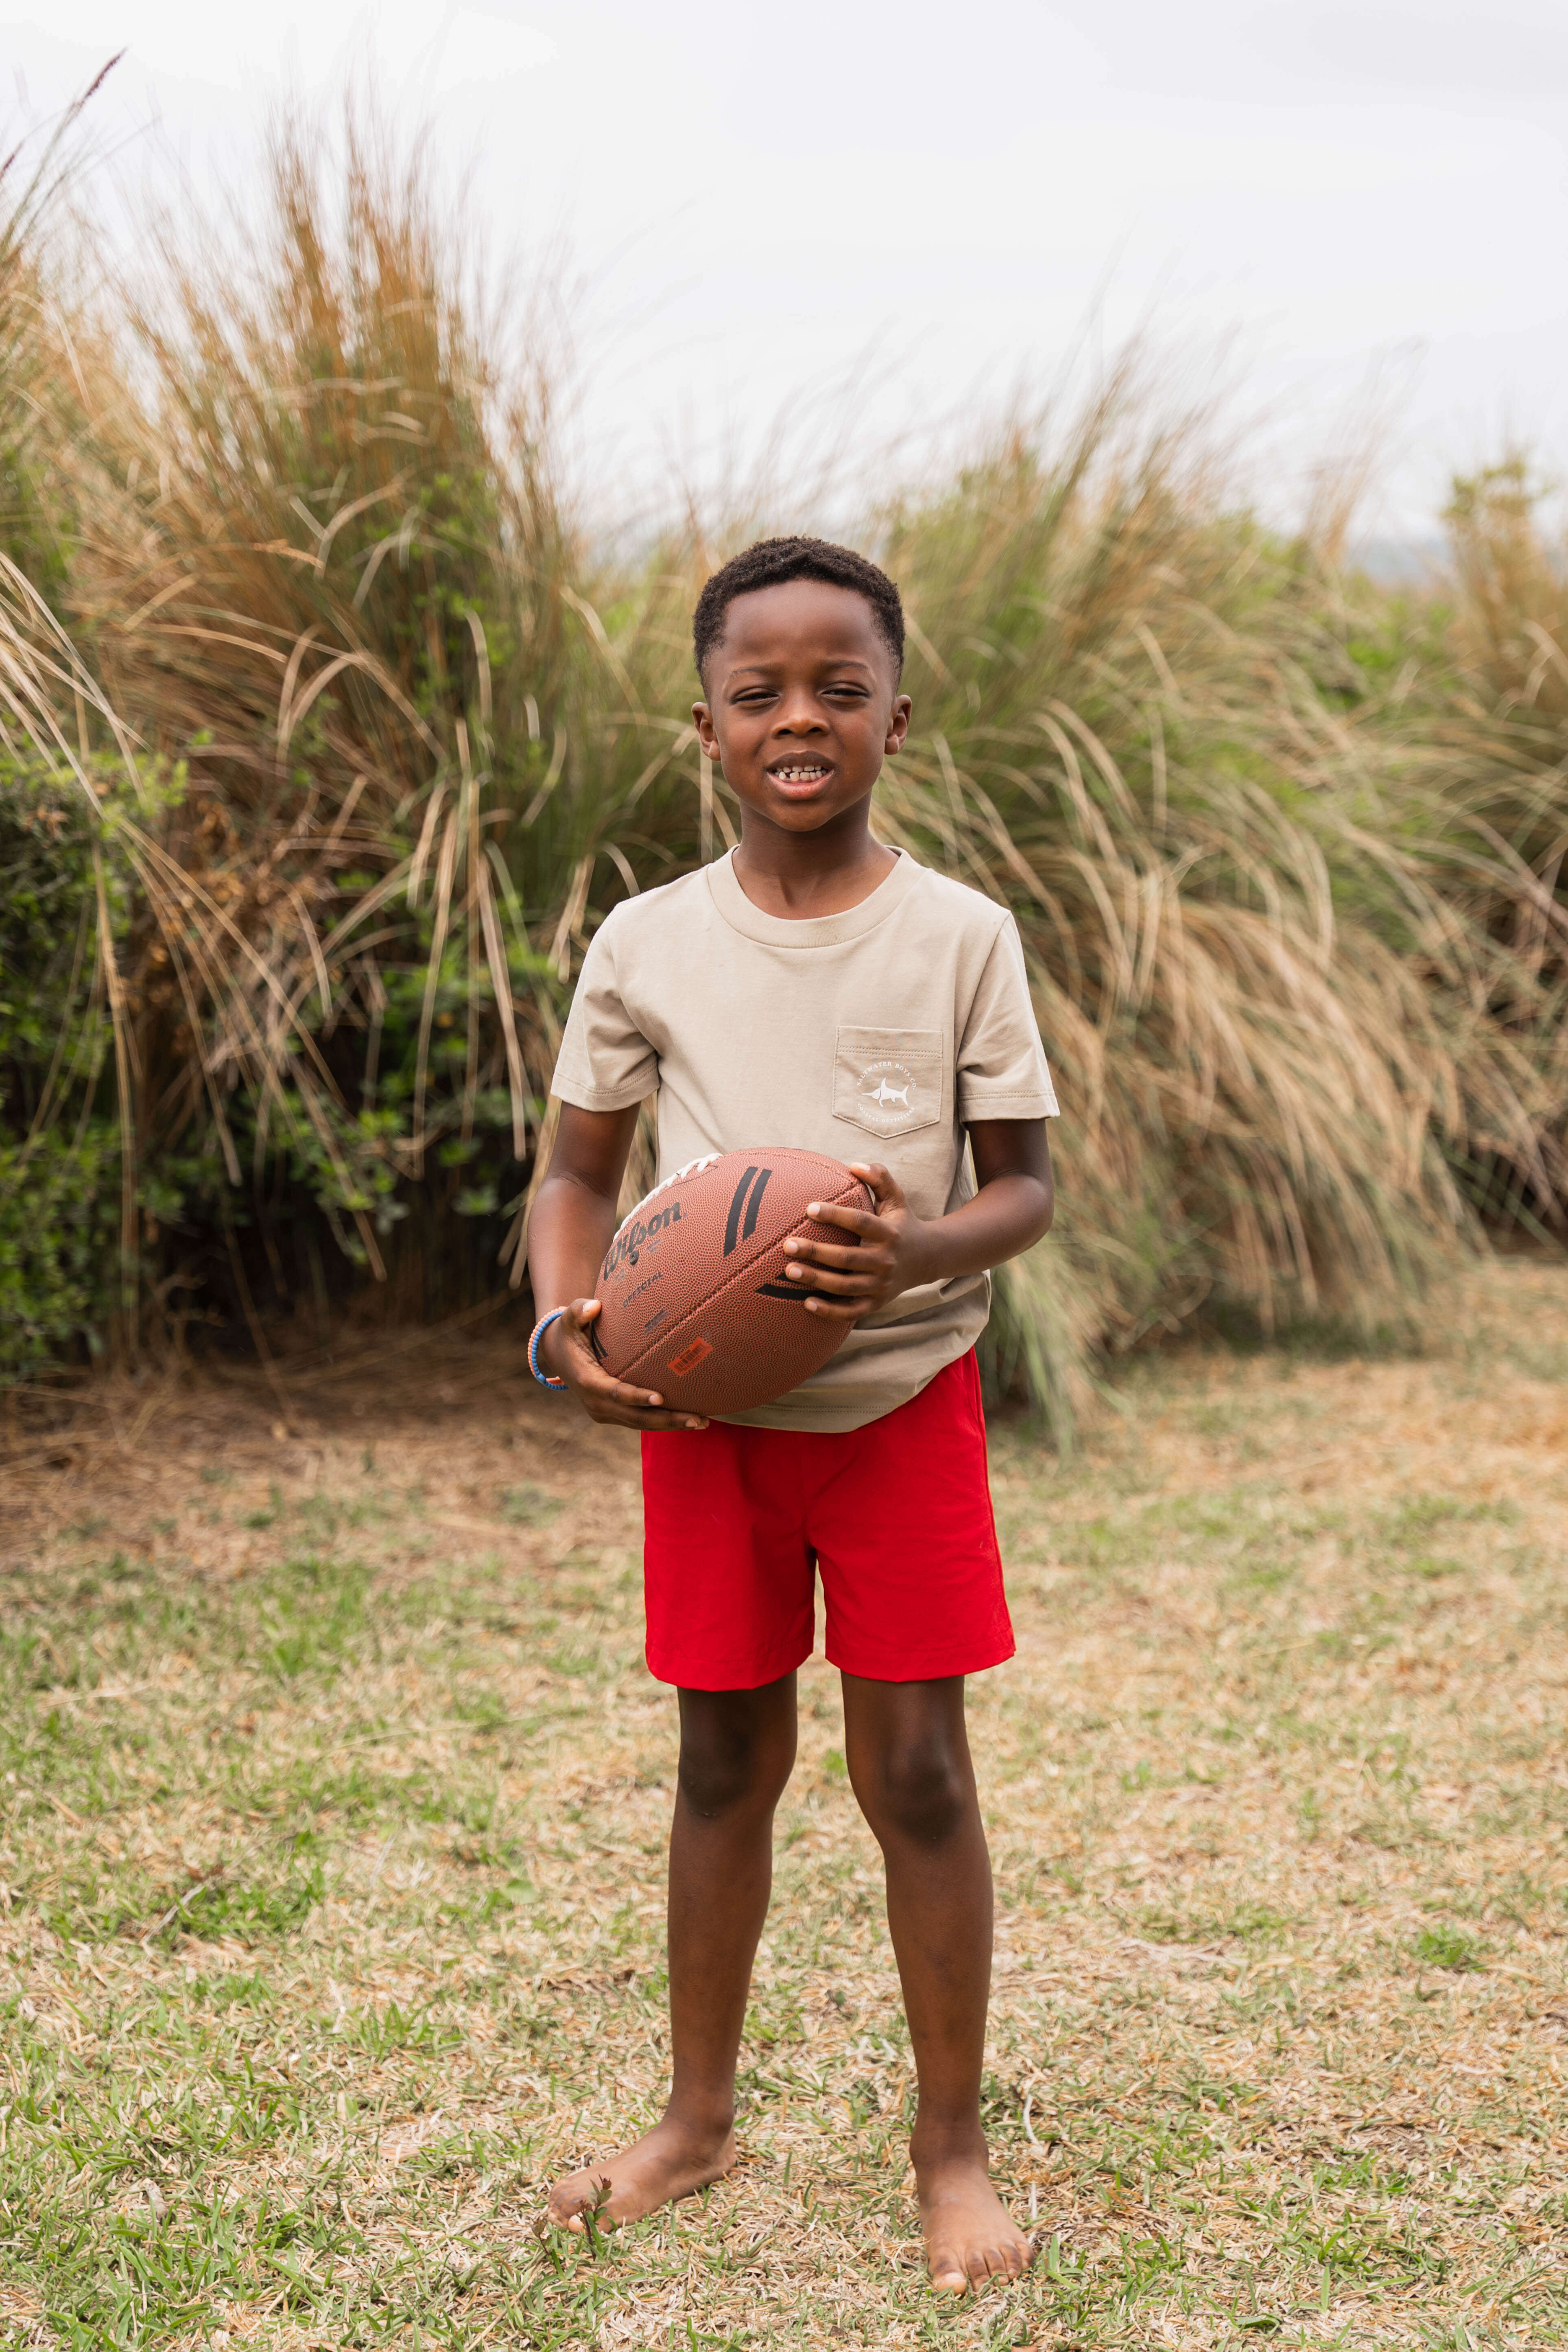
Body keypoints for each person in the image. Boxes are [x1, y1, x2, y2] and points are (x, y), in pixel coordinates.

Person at [525, 536, 1059, 2293]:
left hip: (899, 1404)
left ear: (900, 717)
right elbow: (575, 1173)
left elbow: (1025, 1192)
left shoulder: (962, 935)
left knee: (914, 1769)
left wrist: (914, 1249)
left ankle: (950, 2144)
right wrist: (564, 1326)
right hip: (712, 1426)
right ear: (706, 726)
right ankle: (695, 2115)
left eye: (840, 686)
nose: (799, 716)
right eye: (760, 692)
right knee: (718, 1760)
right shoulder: (646, 941)